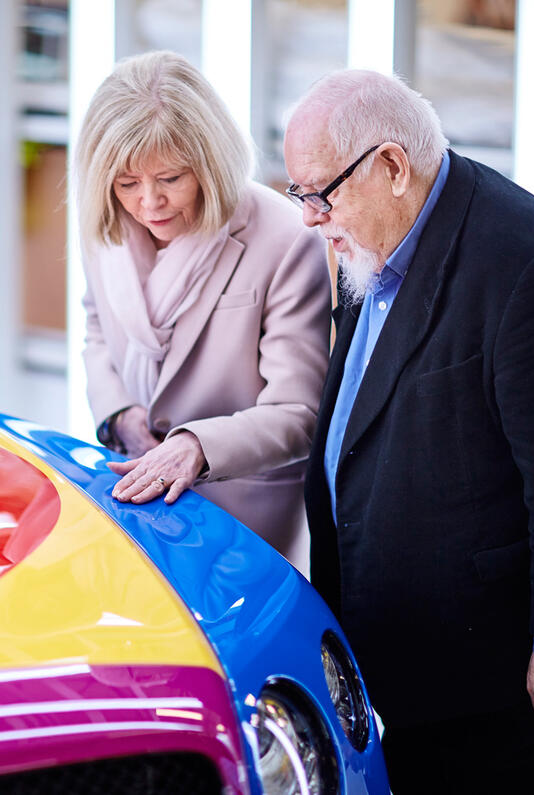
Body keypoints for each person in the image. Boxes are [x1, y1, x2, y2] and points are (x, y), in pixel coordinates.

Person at [283, 68, 534, 793]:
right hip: (424, 670)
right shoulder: (376, 238)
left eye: (321, 193)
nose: (309, 218)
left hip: (517, 686)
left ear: (390, 166)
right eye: (299, 195)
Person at [73, 50, 331, 573]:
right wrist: (119, 414)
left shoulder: (285, 239)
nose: (150, 204)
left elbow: (299, 413)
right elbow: (97, 327)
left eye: (170, 178)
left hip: (243, 518)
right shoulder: (106, 222)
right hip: (135, 500)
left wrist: (195, 446)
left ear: (210, 163)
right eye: (128, 184)